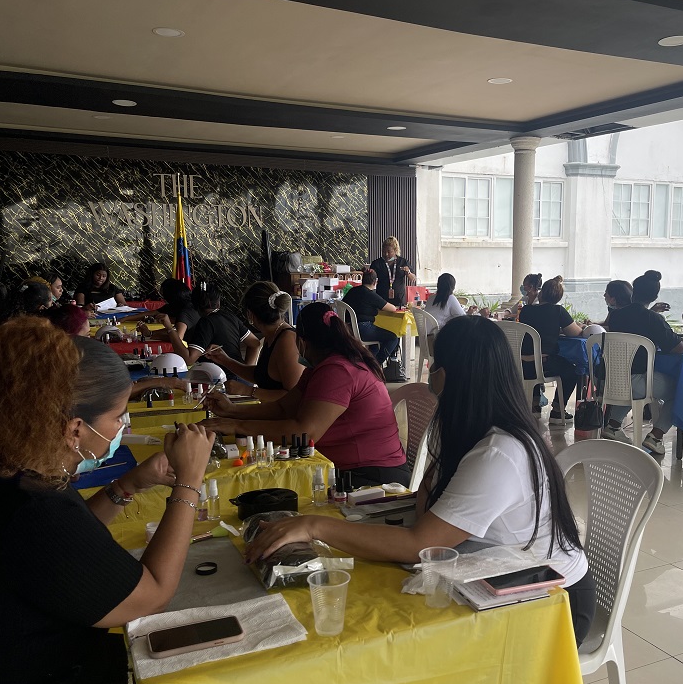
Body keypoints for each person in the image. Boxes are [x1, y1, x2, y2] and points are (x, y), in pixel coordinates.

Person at [0, 316, 215, 684]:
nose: (125, 428)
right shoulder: (32, 511)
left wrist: (128, 484)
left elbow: (64, 548)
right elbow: (151, 593)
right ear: (74, 429)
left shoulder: (1, 471)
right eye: (119, 417)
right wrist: (190, 481)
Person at [243, 316, 595, 645]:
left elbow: (419, 543)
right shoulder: (466, 428)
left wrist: (313, 527)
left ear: (449, 374)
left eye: (434, 362)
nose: (428, 369)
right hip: (496, 578)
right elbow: (427, 514)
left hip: (550, 603)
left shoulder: (501, 451)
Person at [202, 302, 410, 488]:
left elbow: (304, 433)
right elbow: (283, 408)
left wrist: (238, 426)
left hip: (372, 477)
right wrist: (233, 412)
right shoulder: (320, 367)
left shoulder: (338, 370)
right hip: (349, 468)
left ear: (301, 341)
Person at [603, 270, 683, 456]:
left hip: (612, 379)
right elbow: (681, 347)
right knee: (680, 390)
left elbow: (636, 321)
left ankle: (613, 425)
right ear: (655, 296)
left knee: (637, 384)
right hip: (637, 381)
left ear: (633, 292)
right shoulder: (653, 319)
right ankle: (656, 436)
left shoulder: (617, 316)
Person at [204, 281, 304, 402]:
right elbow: (261, 375)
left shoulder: (287, 340)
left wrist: (247, 391)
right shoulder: (272, 335)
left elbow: (295, 396)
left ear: (250, 314)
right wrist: (224, 360)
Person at [517, 275, 583, 424]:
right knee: (572, 372)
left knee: (536, 362)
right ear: (559, 297)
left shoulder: (526, 310)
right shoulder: (558, 311)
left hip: (522, 365)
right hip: (544, 363)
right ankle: (558, 411)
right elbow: (575, 332)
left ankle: (535, 406)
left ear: (541, 293)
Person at [167, 282, 260, 378]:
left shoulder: (205, 322)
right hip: (240, 379)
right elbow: (255, 343)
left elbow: (188, 359)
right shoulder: (230, 316)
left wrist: (170, 328)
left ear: (195, 306)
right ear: (218, 303)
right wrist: (245, 371)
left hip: (223, 381)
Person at [342, 269, 400, 364]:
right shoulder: (370, 294)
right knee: (393, 338)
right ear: (375, 281)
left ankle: (369, 363)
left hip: (347, 329)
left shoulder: (352, 291)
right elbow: (392, 308)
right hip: (363, 329)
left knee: (375, 344)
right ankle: (376, 364)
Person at [122, 279, 199, 342]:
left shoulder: (186, 311)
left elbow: (177, 337)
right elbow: (152, 313)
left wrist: (150, 334)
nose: (162, 299)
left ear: (171, 296)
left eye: (164, 295)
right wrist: (125, 319)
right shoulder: (177, 305)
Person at [370, 236, 415, 307]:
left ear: (395, 250)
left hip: (399, 300)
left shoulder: (402, 262)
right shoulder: (377, 263)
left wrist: (408, 272)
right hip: (382, 300)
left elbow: (413, 279)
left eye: (389, 251)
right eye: (384, 251)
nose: (386, 254)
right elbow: (370, 280)